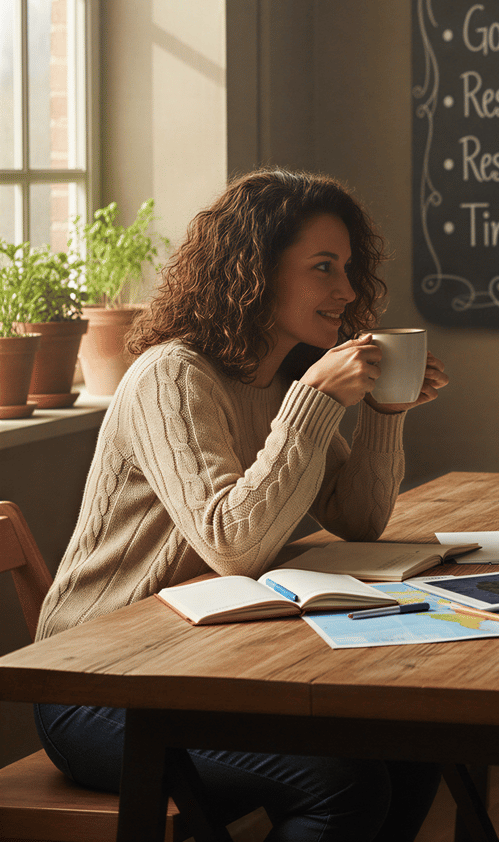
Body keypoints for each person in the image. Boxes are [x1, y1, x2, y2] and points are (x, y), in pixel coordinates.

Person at [34, 168, 449, 842]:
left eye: (346, 267)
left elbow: (357, 518)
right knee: (343, 785)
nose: (346, 290)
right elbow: (233, 544)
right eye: (323, 267)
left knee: (412, 746)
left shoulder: (281, 377)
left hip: (202, 665)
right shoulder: (172, 376)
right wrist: (315, 402)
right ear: (254, 270)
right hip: (100, 687)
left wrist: (385, 411)